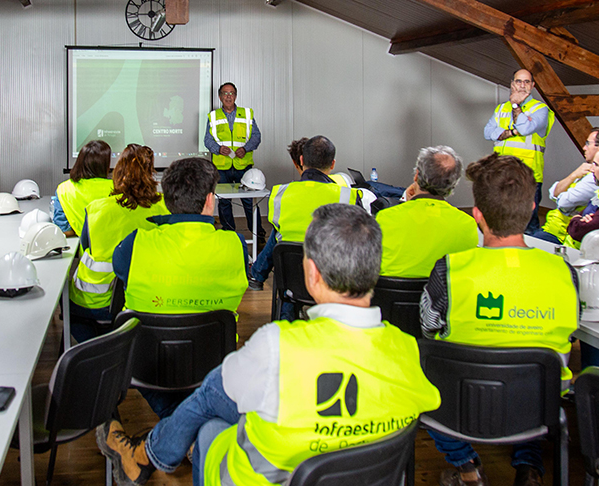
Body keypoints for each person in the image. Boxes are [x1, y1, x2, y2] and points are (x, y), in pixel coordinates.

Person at [96, 204, 441, 486]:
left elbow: (220, 391)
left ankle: (144, 456)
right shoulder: (409, 351)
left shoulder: (278, 346)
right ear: (375, 269)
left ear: (312, 274)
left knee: (210, 415)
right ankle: (146, 454)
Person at [420, 153, 579, 486]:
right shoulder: (564, 273)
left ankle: (467, 468)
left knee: (422, 376)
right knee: (532, 373)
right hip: (538, 407)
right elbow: (572, 330)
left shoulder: (449, 269)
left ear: (477, 215)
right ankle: (529, 465)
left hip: (458, 403)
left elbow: (428, 327)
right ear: (532, 209)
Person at [111, 157, 248, 418]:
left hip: (145, 362)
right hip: (212, 360)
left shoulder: (134, 244)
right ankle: (189, 421)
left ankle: (175, 419)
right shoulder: (235, 245)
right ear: (210, 201)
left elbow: (120, 273)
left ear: (167, 198)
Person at [68, 144, 168, 343]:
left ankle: (98, 349)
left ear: (117, 172)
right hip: (149, 300)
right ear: (151, 174)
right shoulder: (165, 207)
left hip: (95, 300)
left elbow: (86, 246)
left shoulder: (96, 209)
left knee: (74, 317)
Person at [249, 135, 358, 294]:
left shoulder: (280, 194)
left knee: (279, 234)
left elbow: (278, 225)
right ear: (333, 164)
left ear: (300, 160)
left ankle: (258, 277)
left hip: (294, 278)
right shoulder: (348, 195)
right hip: (334, 278)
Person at [376, 146, 477, 278]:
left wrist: (404, 203)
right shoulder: (467, 225)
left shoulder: (385, 218)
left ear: (417, 175)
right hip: (444, 298)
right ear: (454, 183)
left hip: (390, 297)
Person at [483, 69, 556, 234]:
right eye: (518, 81)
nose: (522, 85)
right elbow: (488, 133)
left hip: (527, 177)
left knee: (527, 227)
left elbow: (524, 128)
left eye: (526, 82)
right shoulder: (501, 108)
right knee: (501, 222)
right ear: (512, 84)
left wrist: (516, 106)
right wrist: (512, 132)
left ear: (532, 86)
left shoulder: (540, 109)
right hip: (501, 175)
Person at [533, 127, 599, 244]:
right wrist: (573, 175)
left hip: (562, 236)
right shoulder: (586, 170)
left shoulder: (596, 178)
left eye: (588, 143)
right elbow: (553, 193)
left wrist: (563, 193)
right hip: (554, 230)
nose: (584, 147)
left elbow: (563, 203)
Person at [205, 82, 265, 244]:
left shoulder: (247, 114)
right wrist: (217, 149)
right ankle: (229, 234)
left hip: (243, 166)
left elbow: (256, 137)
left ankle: (258, 235)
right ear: (220, 97)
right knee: (224, 202)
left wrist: (246, 149)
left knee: (249, 202)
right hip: (222, 167)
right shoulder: (213, 116)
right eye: (225, 93)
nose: (228, 96)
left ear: (236, 96)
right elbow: (207, 140)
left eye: (231, 93)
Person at [53, 140, 113, 235]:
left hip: (83, 248)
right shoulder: (117, 188)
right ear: (105, 165)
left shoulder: (63, 189)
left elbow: (62, 229)